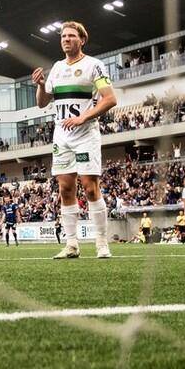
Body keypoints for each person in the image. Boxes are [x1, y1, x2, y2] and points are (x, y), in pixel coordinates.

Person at [32, 21, 117, 260]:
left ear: (82, 39)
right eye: (62, 36)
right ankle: (71, 244)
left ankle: (101, 242)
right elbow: (42, 102)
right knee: (65, 188)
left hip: (85, 135)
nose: (65, 39)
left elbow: (109, 99)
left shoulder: (94, 65)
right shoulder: (57, 68)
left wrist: (83, 117)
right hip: (61, 136)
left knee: (90, 187)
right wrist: (40, 85)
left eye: (70, 35)